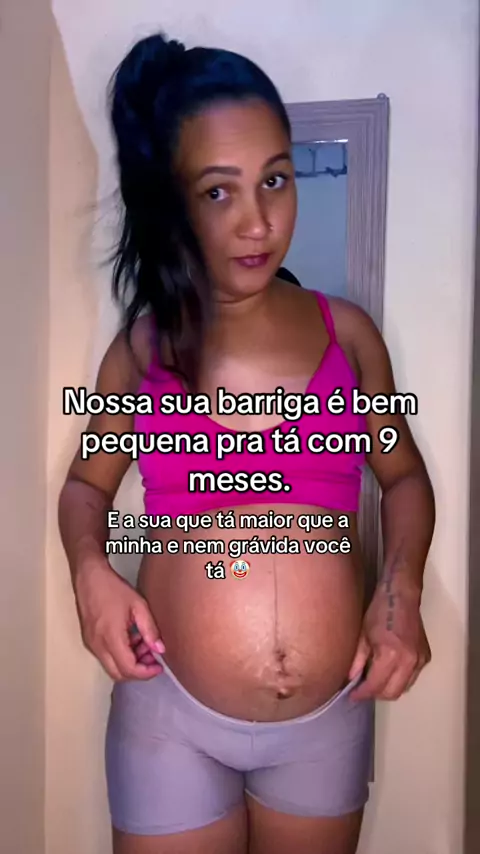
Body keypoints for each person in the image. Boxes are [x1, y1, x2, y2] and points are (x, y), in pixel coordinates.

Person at [58, 31, 435, 854]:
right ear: (175, 203)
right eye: (218, 191)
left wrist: (400, 593)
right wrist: (90, 574)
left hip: (327, 720)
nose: (259, 220)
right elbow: (86, 487)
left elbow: (404, 478)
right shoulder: (141, 352)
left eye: (275, 179)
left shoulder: (351, 338)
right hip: (170, 715)